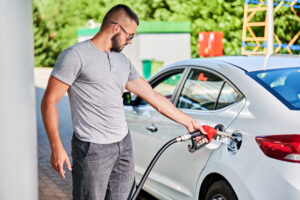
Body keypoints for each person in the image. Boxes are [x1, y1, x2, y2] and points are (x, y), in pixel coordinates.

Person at [41, 4, 208, 200]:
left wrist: (188, 122)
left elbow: (153, 96)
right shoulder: (75, 56)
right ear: (115, 28)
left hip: (123, 144)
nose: (130, 42)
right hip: (92, 149)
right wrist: (56, 147)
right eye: (130, 36)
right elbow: (49, 101)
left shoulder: (122, 62)